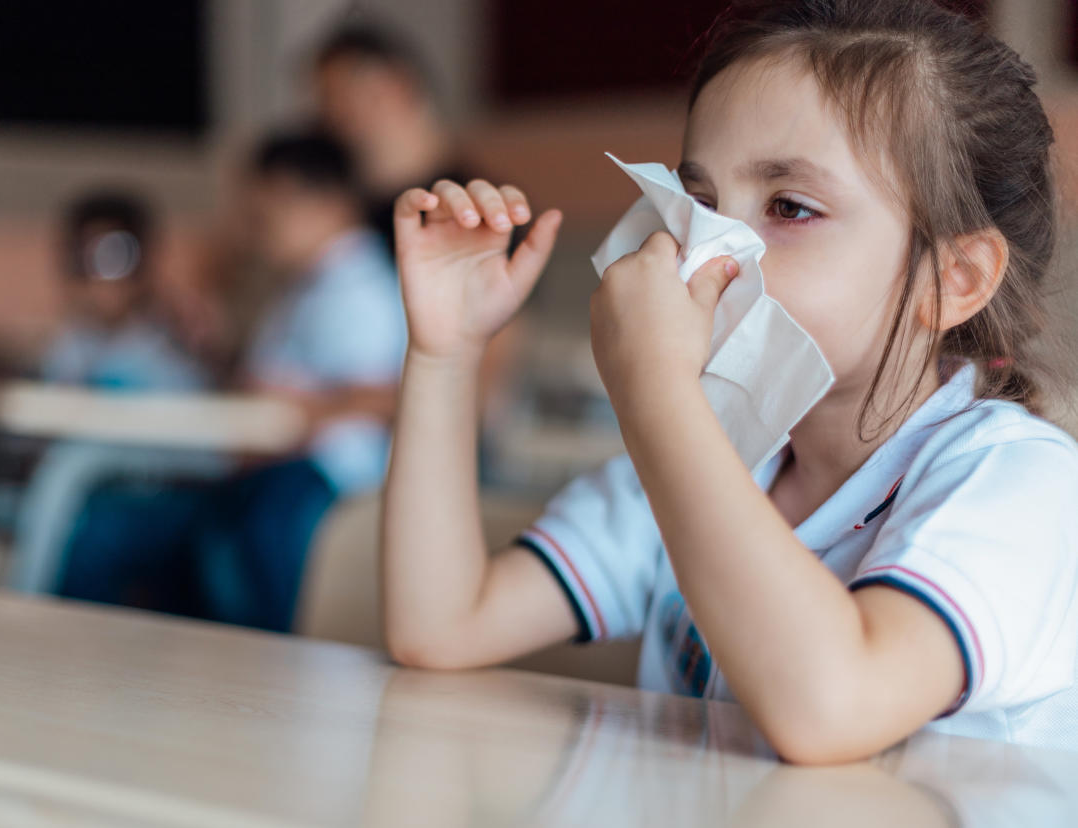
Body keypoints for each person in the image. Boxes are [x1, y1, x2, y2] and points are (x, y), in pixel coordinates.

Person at [380, 0, 1078, 763]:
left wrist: (657, 395)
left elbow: (830, 709)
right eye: (700, 202)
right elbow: (441, 624)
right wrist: (447, 354)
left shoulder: (1020, 481)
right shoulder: (703, 449)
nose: (710, 249)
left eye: (790, 207)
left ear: (954, 278)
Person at [58, 128, 407, 632]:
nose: (256, 224)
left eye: (266, 206)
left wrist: (293, 411)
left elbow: (383, 398)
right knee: (155, 536)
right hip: (270, 470)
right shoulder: (309, 285)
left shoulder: (358, 287)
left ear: (319, 199)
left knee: (149, 538)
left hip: (318, 478)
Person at [311, 22, 472, 251]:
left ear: (399, 86)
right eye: (325, 98)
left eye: (337, 94)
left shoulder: (471, 213)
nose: (328, 114)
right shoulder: (341, 211)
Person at [41, 190, 210, 392]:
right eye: (86, 260)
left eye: (115, 256)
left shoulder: (170, 359)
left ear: (143, 263)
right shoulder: (65, 349)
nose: (101, 280)